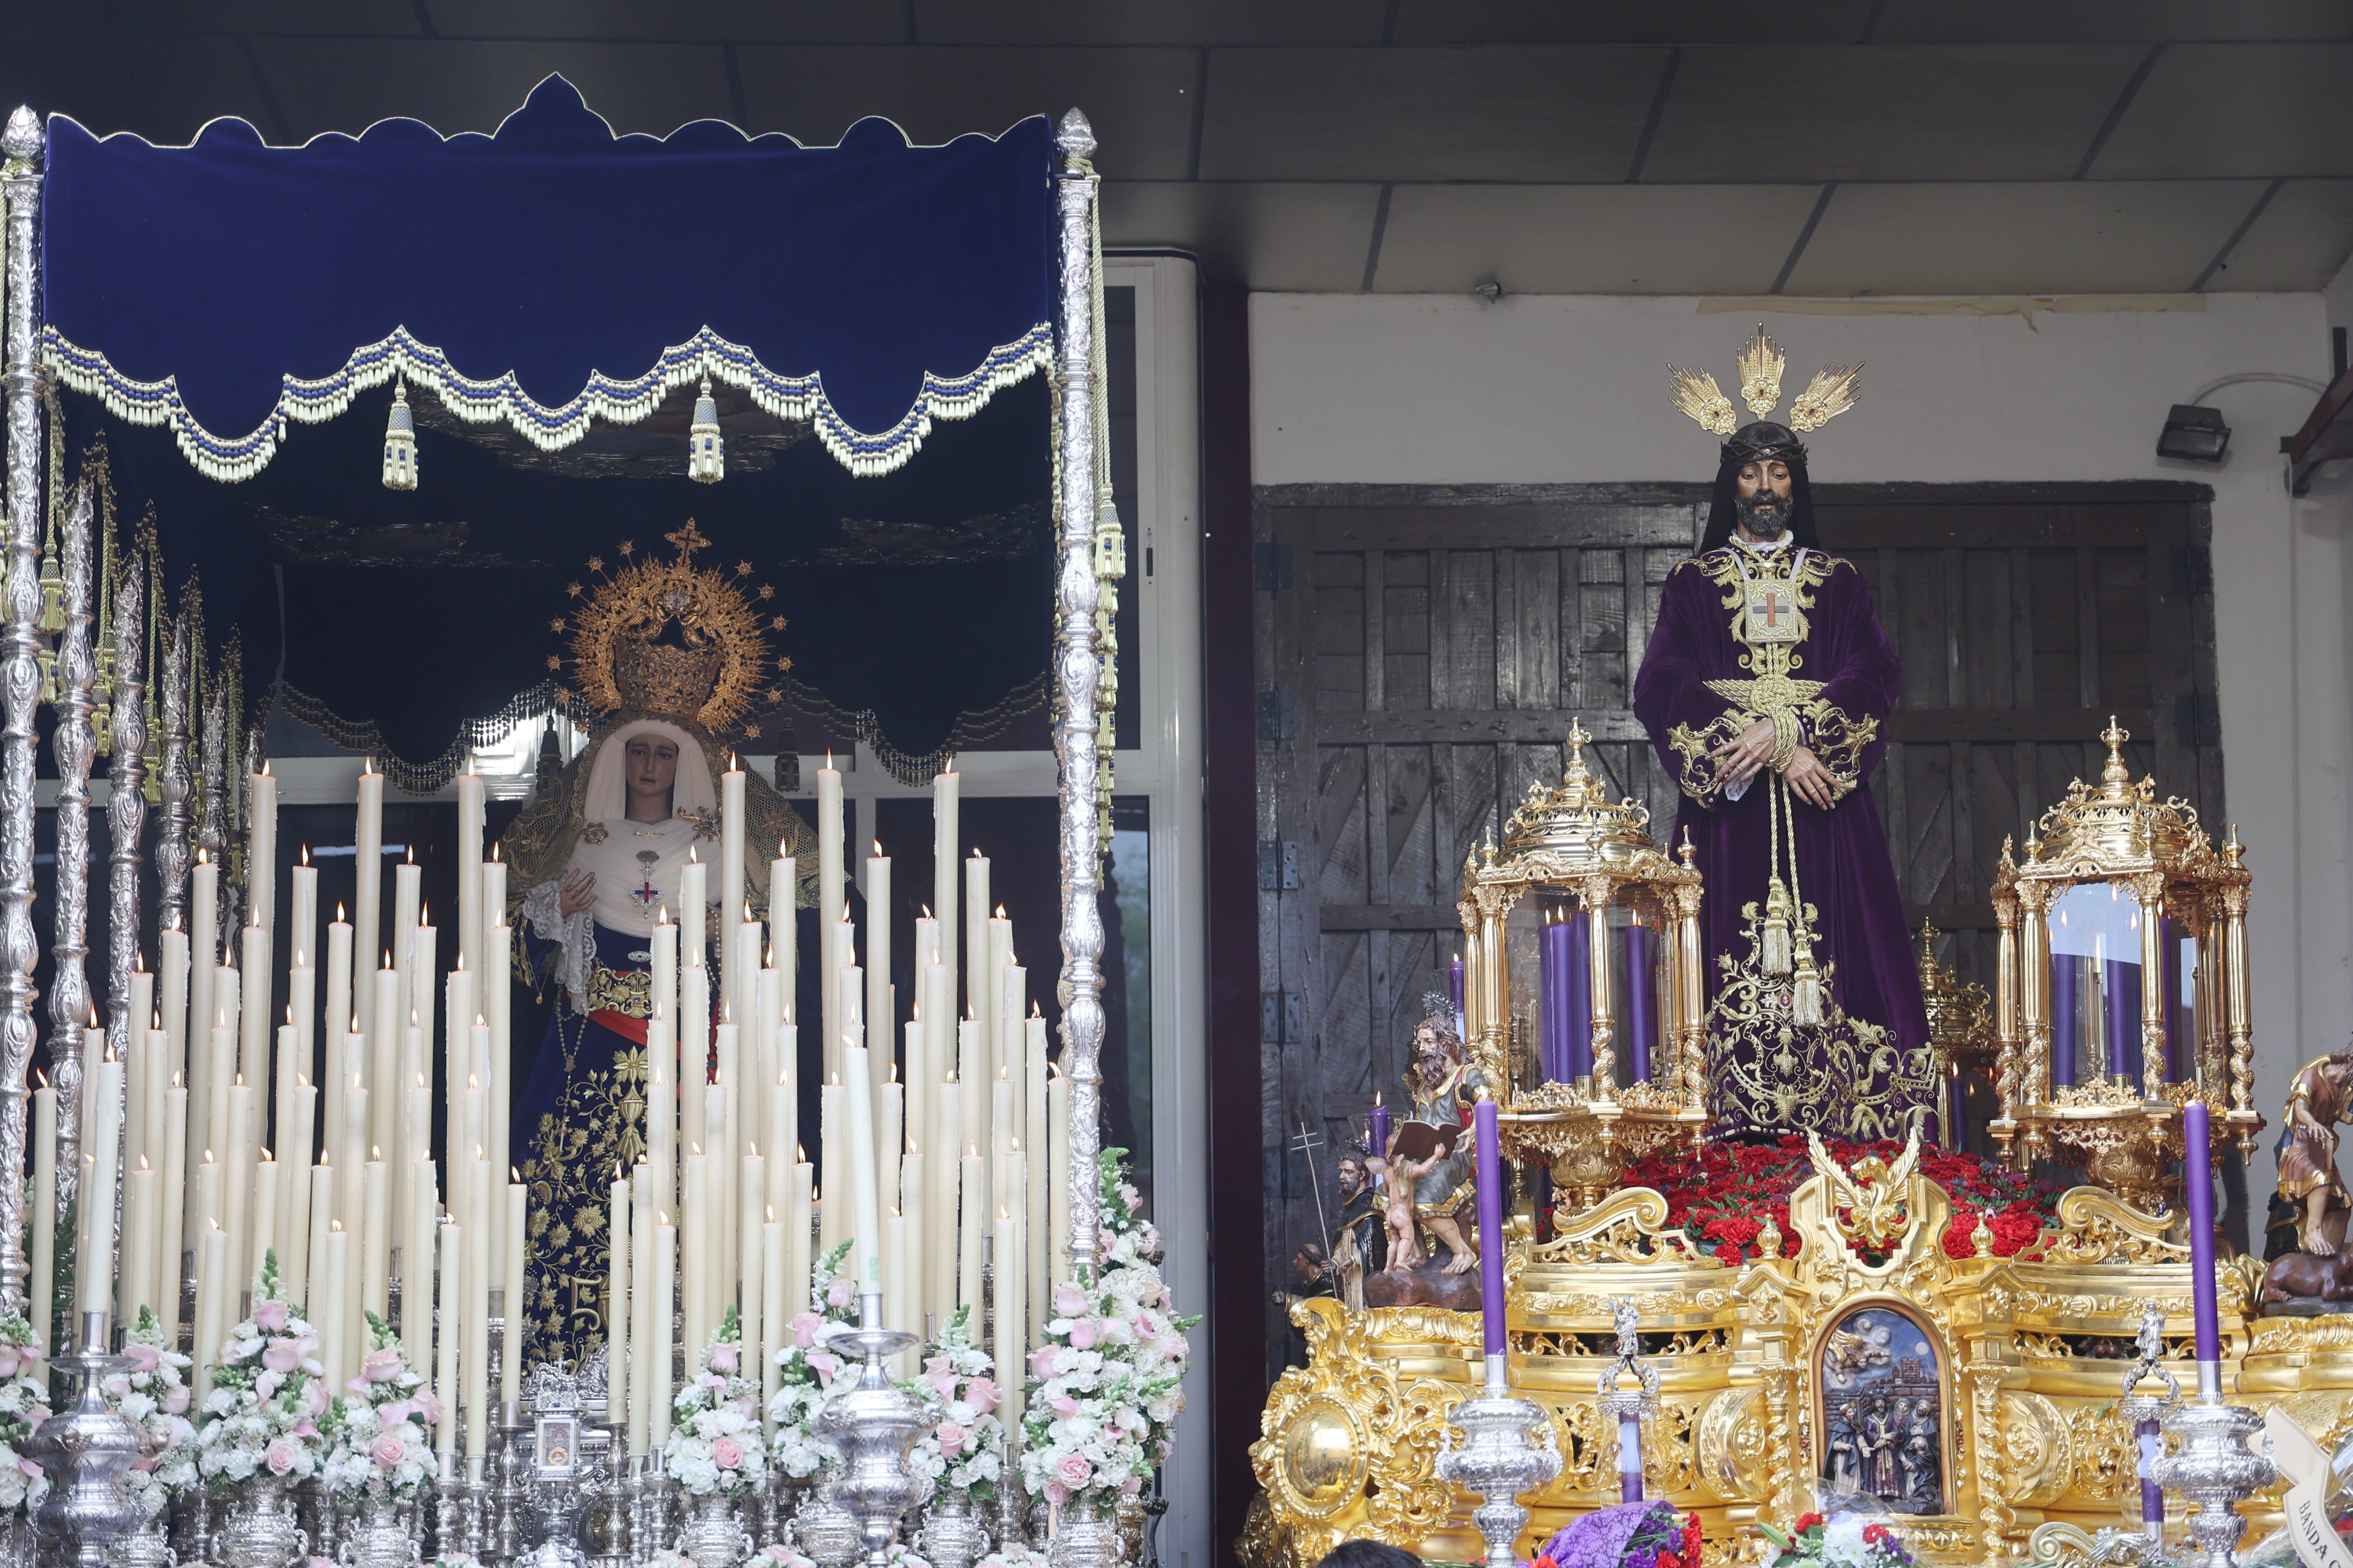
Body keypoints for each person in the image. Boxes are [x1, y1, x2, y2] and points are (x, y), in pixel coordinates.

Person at [501, 523, 814, 1373]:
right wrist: (558, 915)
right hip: (597, 1036)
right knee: (572, 1189)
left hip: (695, 1044)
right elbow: (538, 957)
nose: (646, 764)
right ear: (616, 758)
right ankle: (573, 1355)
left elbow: (783, 938)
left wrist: (728, 934)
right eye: (634, 750)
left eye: (660, 753)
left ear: (683, 762)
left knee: (711, 1196)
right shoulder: (584, 843)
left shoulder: (718, 842)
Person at [1633, 333, 1932, 1141]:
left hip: (1822, 805)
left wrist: (1802, 739)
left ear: (1795, 484)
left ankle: (1853, 1131)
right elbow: (1659, 683)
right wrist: (1754, 741)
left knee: (1847, 955)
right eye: (1749, 472)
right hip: (1727, 814)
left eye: (1778, 473)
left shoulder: (1837, 581)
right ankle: (1726, 1136)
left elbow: (1876, 672)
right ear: (1729, 483)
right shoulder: (1692, 584)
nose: (1764, 488)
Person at [2279, 1051, 2353, 1255]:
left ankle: (2327, 1261)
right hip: (2300, 1143)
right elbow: (2301, 1109)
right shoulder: (2314, 1074)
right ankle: (2313, 1231)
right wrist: (2313, 1124)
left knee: (2342, 1205)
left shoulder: (2346, 1089)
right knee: (2319, 1179)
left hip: (2323, 1145)